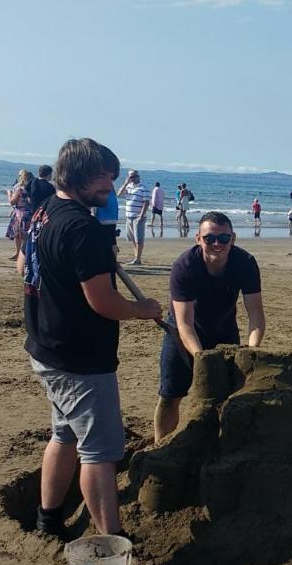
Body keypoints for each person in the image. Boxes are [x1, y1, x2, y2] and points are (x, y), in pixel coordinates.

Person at [23, 137, 162, 539]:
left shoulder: (44, 212)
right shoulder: (83, 229)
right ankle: (111, 540)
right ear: (76, 175)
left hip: (46, 348)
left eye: (112, 177)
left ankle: (48, 520)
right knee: (99, 455)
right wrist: (143, 310)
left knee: (64, 435)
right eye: (101, 177)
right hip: (80, 360)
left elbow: (25, 267)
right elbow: (103, 302)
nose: (109, 185)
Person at [153, 211, 266, 441]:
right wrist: (201, 357)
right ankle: (160, 445)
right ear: (198, 239)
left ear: (232, 239)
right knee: (171, 394)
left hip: (223, 327)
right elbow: (185, 324)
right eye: (209, 238)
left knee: (226, 395)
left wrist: (251, 349)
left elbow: (255, 312)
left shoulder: (245, 263)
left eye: (223, 239)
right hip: (182, 331)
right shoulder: (185, 267)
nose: (217, 244)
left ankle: (219, 444)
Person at [117, 170, 150, 264]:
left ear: (138, 176)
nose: (132, 179)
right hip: (129, 216)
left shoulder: (143, 188)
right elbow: (119, 194)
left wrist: (141, 215)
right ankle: (136, 257)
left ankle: (138, 258)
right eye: (130, 177)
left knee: (138, 238)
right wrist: (125, 183)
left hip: (138, 216)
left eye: (134, 177)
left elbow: (146, 202)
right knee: (132, 238)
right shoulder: (128, 186)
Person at [5, 169, 32, 259]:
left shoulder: (19, 188)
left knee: (18, 234)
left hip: (20, 213)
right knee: (25, 234)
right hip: (29, 212)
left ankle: (19, 253)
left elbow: (12, 202)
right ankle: (23, 253)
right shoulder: (31, 187)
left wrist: (9, 194)